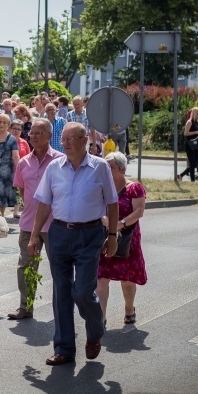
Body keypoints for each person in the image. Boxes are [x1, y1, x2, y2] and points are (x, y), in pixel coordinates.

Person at [29, 122, 119, 366]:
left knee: (82, 291)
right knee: (61, 293)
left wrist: (112, 236)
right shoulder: (54, 168)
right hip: (59, 232)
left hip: (90, 235)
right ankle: (64, 348)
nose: (66, 142)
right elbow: (44, 204)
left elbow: (112, 203)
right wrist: (34, 235)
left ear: (84, 141)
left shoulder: (100, 167)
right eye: (64, 139)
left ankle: (95, 329)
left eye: (71, 138)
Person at [9, 118, 62, 320]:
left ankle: (61, 308)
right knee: (26, 267)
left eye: (39, 133)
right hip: (29, 223)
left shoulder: (59, 161)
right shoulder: (23, 162)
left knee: (59, 268)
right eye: (32, 133)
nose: (34, 136)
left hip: (56, 224)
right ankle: (26, 307)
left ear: (49, 136)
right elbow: (23, 190)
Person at [95, 151, 147, 325]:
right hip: (105, 237)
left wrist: (120, 224)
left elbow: (139, 211)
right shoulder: (101, 187)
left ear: (122, 169)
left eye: (110, 167)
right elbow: (97, 207)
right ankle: (101, 317)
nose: (106, 171)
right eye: (105, 167)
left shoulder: (134, 188)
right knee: (101, 278)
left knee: (127, 279)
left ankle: (129, 308)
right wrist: (105, 221)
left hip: (127, 238)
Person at [179, 107, 198, 182]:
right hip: (189, 144)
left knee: (195, 163)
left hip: (196, 144)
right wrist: (196, 132)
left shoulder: (197, 122)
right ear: (194, 113)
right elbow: (185, 133)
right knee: (192, 163)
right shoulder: (190, 122)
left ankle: (181, 175)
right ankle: (192, 180)